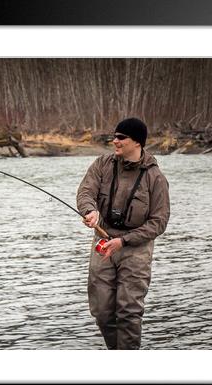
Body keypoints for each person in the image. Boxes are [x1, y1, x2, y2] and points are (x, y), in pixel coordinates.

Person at [76, 117, 170, 350]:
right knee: (102, 311)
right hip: (103, 241)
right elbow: (85, 192)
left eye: (121, 137)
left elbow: (159, 222)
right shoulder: (102, 164)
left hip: (136, 248)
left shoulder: (155, 177)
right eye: (114, 136)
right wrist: (91, 212)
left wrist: (124, 240)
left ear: (136, 142)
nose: (114, 141)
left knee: (128, 312)